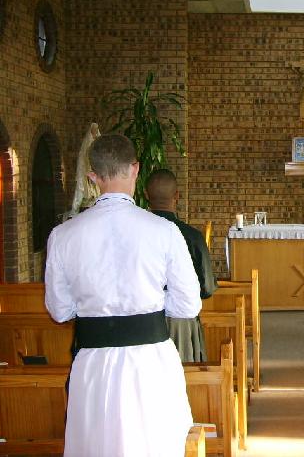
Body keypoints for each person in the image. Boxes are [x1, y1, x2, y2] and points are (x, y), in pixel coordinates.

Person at [44, 134, 201, 457]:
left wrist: (93, 308)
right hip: (150, 359)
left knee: (96, 446)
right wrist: (149, 307)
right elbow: (188, 304)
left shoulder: (62, 236)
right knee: (155, 445)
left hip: (93, 362)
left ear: (93, 176)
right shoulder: (164, 231)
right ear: (135, 169)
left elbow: (60, 310)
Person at [146, 168, 217, 362]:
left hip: (143, 320)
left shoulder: (136, 236)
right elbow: (207, 288)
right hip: (182, 323)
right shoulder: (192, 237)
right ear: (177, 195)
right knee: (183, 373)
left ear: (146, 195)